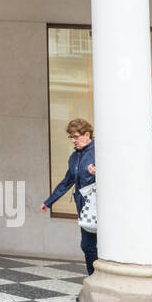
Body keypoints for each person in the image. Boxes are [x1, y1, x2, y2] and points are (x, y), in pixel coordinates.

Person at [41, 117, 97, 275]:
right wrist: (49, 202)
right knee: (87, 245)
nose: (73, 140)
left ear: (87, 134)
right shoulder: (74, 158)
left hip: (102, 207)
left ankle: (104, 282)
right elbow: (67, 182)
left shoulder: (99, 151)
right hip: (86, 209)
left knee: (106, 246)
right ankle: (94, 281)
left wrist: (99, 173)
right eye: (71, 137)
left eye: (76, 136)